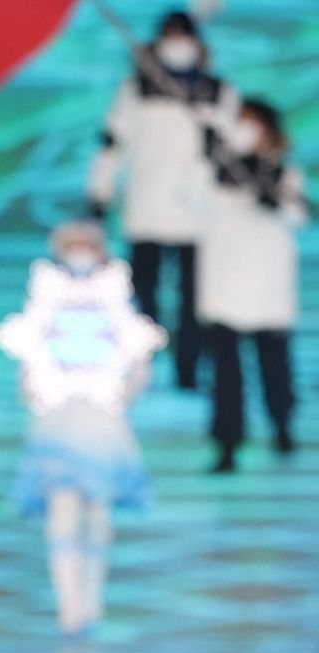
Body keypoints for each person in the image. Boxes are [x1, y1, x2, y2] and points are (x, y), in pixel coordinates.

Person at [0, 223, 165, 636]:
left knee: (98, 514)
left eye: (87, 246)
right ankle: (69, 605)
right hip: (58, 421)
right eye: (73, 246)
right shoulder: (47, 295)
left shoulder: (113, 294)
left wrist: (126, 392)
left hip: (102, 421)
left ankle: (92, 600)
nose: (80, 253)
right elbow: (27, 355)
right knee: (63, 511)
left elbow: (138, 352)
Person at [87, 10, 238, 389]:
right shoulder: (134, 90)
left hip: (197, 215)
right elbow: (111, 145)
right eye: (169, 36)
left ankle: (189, 370)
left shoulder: (217, 92)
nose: (176, 44)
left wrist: (216, 142)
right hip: (146, 211)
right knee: (143, 296)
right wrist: (100, 193)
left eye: (182, 36)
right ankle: (143, 368)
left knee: (195, 300)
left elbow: (234, 152)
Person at [196, 98, 307, 473]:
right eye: (240, 124)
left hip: (268, 288)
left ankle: (282, 427)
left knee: (274, 366)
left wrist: (271, 196)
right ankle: (227, 443)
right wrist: (213, 157)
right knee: (226, 375)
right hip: (223, 287)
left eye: (254, 124)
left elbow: (298, 215)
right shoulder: (212, 174)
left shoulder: (285, 175)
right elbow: (190, 200)